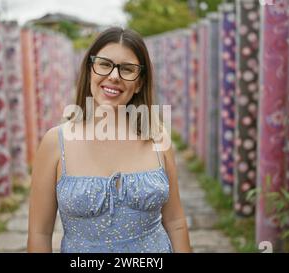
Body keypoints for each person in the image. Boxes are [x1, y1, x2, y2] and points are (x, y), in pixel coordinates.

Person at [27, 27, 192, 253]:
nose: (114, 76)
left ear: (140, 83)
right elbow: (39, 233)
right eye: (104, 64)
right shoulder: (56, 142)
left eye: (127, 69)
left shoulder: (157, 139)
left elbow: (176, 223)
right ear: (90, 70)